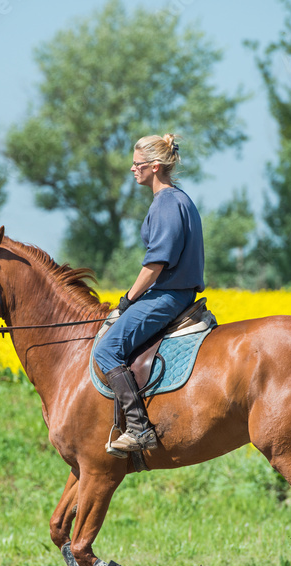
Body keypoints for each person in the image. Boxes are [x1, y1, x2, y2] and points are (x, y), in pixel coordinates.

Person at [93, 133, 205, 456]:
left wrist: (128, 298)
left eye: (137, 164)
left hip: (168, 296)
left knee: (107, 349)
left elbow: (156, 263)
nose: (132, 169)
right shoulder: (181, 199)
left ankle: (139, 428)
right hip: (173, 294)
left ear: (155, 167)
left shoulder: (167, 202)